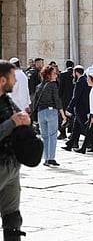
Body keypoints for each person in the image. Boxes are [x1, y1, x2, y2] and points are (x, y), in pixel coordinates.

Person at [0, 60, 32, 241]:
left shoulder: (7, 101)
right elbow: (13, 121)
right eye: (13, 77)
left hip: (12, 166)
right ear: (2, 80)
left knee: (13, 219)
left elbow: (21, 119)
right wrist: (12, 123)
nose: (16, 81)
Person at [34, 65, 67, 166]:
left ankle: (46, 158)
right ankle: (51, 158)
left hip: (41, 113)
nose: (56, 75)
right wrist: (63, 114)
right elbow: (57, 100)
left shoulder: (38, 86)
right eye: (54, 73)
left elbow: (35, 102)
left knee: (44, 136)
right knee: (52, 135)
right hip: (51, 111)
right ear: (48, 75)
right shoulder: (53, 85)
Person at [63, 65, 90, 151]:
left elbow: (76, 97)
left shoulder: (79, 82)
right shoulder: (84, 80)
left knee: (84, 127)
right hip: (82, 108)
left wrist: (69, 108)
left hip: (80, 108)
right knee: (76, 128)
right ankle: (70, 145)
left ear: (77, 72)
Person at [58, 60, 75, 140]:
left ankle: (63, 132)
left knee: (63, 116)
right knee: (73, 115)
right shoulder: (75, 73)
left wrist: (59, 97)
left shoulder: (63, 74)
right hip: (73, 97)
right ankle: (72, 132)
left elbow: (61, 87)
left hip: (65, 98)